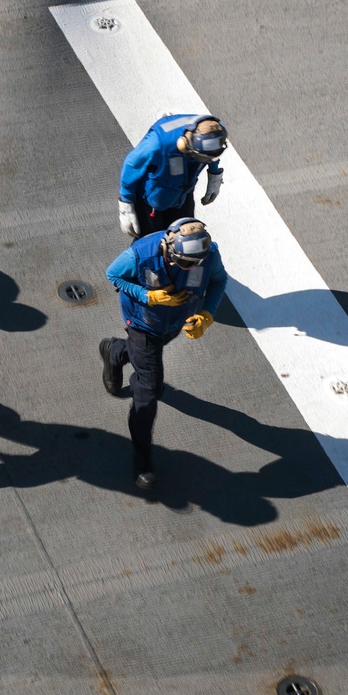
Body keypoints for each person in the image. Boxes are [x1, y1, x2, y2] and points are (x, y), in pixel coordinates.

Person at [100, 218, 228, 490]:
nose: (191, 269)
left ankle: (115, 351)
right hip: (143, 325)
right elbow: (113, 275)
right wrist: (148, 296)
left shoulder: (207, 255)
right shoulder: (140, 255)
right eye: (185, 264)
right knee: (149, 391)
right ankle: (142, 457)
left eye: (195, 265)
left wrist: (207, 315)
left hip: (174, 323)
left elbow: (218, 280)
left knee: (146, 360)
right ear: (170, 250)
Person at [118, 113, 227, 239]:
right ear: (185, 145)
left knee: (186, 235)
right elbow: (131, 165)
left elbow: (213, 155)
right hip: (152, 201)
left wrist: (215, 176)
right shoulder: (157, 144)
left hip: (182, 195)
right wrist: (126, 205)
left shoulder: (216, 133)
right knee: (153, 241)